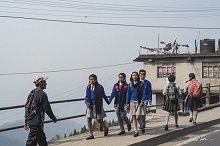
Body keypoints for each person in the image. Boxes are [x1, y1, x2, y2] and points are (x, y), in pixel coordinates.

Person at [24, 76, 57, 146]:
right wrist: (53, 118)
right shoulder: (42, 94)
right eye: (45, 82)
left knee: (42, 142)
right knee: (31, 143)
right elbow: (47, 108)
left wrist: (26, 121)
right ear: (40, 83)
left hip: (32, 121)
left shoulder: (32, 93)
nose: (46, 84)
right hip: (36, 123)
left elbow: (27, 108)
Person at [85, 74, 110, 140]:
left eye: (93, 79)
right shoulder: (88, 87)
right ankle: (91, 134)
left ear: (96, 80)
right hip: (90, 105)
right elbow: (87, 96)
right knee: (89, 119)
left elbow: (103, 95)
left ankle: (105, 128)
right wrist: (86, 102)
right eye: (90, 79)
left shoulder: (100, 87)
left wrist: (108, 101)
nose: (92, 81)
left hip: (97, 105)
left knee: (99, 119)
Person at [126, 71, 146, 137]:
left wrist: (142, 101)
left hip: (139, 102)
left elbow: (144, 93)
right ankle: (136, 131)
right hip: (132, 102)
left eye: (136, 75)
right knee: (134, 117)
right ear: (131, 76)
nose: (134, 76)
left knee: (138, 117)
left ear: (138, 76)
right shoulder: (130, 85)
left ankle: (142, 126)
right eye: (133, 75)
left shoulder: (141, 84)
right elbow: (128, 94)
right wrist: (127, 103)